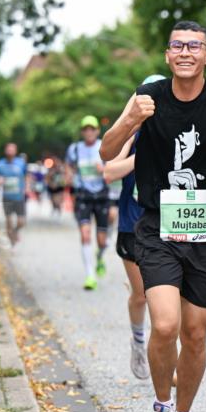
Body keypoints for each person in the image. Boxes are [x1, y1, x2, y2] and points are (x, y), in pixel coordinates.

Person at [100, 21, 206, 412]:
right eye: (177, 45)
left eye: (195, 45)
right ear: (168, 55)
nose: (185, 51)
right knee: (165, 324)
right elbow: (107, 152)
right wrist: (130, 119)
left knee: (195, 334)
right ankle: (160, 409)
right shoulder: (147, 98)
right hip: (156, 225)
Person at [103, 74, 167, 381]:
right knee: (142, 295)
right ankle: (139, 342)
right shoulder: (132, 134)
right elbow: (109, 171)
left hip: (170, 223)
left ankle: (163, 358)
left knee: (167, 298)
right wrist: (141, 158)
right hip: (133, 224)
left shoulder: (176, 131)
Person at [66, 115, 111, 290]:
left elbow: (114, 167)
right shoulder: (75, 149)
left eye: (92, 129)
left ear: (97, 131)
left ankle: (99, 257)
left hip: (101, 197)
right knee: (85, 235)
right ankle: (90, 275)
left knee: (101, 241)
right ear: (82, 132)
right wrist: (69, 175)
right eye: (86, 129)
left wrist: (104, 169)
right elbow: (69, 165)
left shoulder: (104, 146)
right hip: (83, 196)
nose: (89, 132)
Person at [0, 142, 28, 245]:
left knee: (22, 222)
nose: (10, 151)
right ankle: (12, 242)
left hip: (19, 197)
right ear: (5, 150)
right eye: (8, 149)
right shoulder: (0, 164)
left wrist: (26, 187)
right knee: (9, 221)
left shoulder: (21, 163)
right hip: (7, 197)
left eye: (12, 149)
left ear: (16, 151)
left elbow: (26, 176)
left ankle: (15, 231)